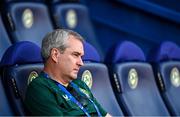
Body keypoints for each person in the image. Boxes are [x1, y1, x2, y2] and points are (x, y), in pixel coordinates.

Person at [24, 29, 111, 116]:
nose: (81, 63)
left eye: (81, 57)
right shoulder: (40, 88)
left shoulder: (79, 84)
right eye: (75, 55)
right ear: (55, 55)